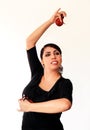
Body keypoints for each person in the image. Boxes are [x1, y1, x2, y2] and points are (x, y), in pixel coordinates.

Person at [18, 8, 73, 130]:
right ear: (42, 61)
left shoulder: (64, 83)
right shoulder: (37, 73)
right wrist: (50, 21)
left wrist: (30, 107)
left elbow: (65, 104)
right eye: (47, 54)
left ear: (61, 58)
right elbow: (30, 42)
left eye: (56, 53)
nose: (53, 56)